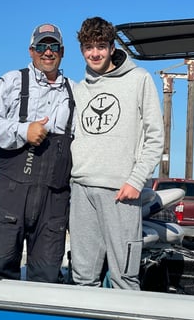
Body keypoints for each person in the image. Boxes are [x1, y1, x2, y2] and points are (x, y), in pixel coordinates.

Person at [69, 17, 164, 290]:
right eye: (88, 47)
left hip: (120, 193)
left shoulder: (139, 80)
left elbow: (155, 136)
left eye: (100, 46)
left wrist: (136, 180)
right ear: (82, 50)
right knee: (83, 278)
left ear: (111, 47)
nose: (94, 53)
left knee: (125, 277)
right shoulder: (79, 88)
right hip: (81, 189)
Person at [0, 23, 75, 283]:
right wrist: (22, 131)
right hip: (9, 196)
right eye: (42, 46)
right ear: (32, 51)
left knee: (48, 278)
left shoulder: (75, 91)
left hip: (53, 203)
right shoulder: (11, 81)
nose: (48, 52)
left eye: (54, 46)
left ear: (62, 51)